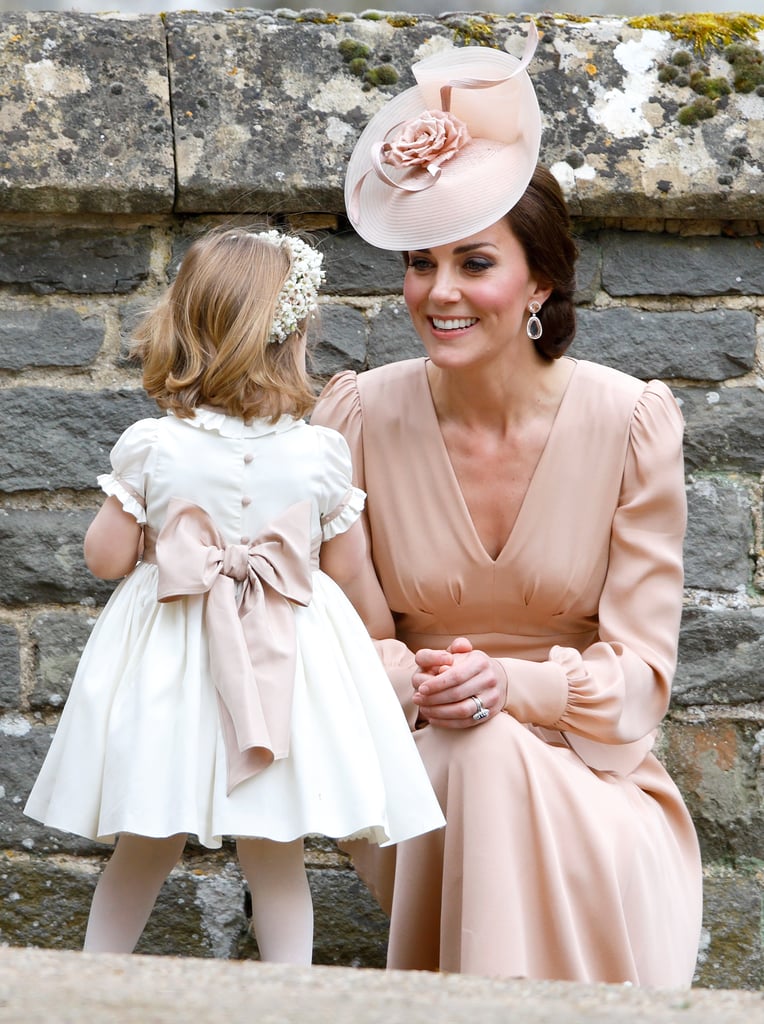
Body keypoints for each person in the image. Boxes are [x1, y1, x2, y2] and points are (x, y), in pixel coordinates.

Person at [311, 22, 703, 987]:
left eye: (474, 263)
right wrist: (427, 688)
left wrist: (509, 690)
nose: (438, 292)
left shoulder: (632, 423)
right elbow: (340, 648)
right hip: (419, 777)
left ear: (542, 280)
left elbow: (642, 682)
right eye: (419, 262)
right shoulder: (356, 417)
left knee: (490, 749)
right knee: (472, 749)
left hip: (595, 784)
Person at [24, 226, 444, 963]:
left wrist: (159, 538)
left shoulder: (154, 444)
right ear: (291, 339)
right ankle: (289, 1000)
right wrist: (384, 643)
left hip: (173, 659)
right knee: (275, 851)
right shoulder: (319, 453)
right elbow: (348, 570)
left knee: (145, 839)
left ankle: (89, 985)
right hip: (287, 658)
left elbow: (104, 558)